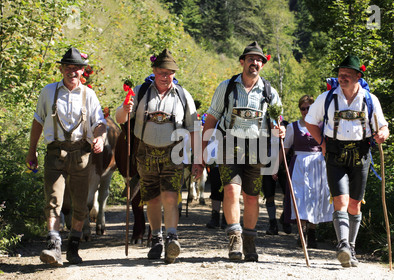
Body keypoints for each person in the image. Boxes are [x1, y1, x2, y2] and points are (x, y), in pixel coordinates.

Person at [193, 41, 285, 262]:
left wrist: (279, 129)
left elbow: (277, 121)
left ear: (263, 64)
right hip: (229, 143)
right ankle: (235, 237)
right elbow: (212, 120)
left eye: (259, 60)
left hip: (256, 146)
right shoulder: (227, 87)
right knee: (232, 191)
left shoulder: (269, 92)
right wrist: (201, 153)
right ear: (242, 62)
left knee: (252, 197)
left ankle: (250, 239)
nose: (255, 63)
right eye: (251, 59)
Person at [305, 55, 389, 267]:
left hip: (361, 156)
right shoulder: (327, 98)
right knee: (340, 200)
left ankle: (350, 247)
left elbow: (383, 126)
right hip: (335, 154)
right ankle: (342, 244)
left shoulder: (370, 99)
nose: (342, 77)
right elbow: (310, 122)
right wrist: (322, 143)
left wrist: (382, 134)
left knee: (354, 204)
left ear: (358, 77)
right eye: (340, 74)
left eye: (347, 75)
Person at [115, 49, 197, 264]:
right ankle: (157, 239)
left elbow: (194, 128)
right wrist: (125, 108)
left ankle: (172, 238)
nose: (165, 76)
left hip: (174, 153)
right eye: (161, 71)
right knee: (151, 198)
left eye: (169, 72)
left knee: (170, 196)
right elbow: (121, 118)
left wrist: (198, 158)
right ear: (154, 71)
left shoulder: (183, 95)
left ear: (174, 74)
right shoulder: (140, 92)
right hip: (145, 153)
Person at [26, 48, 107, 266]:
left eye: (76, 68)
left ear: (83, 71)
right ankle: (54, 246)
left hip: (81, 154)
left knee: (81, 204)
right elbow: (38, 121)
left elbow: (99, 122)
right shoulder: (49, 91)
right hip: (55, 152)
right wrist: (31, 149)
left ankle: (73, 247)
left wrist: (98, 138)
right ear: (61, 69)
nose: (72, 71)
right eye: (68, 67)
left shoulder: (88, 95)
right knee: (53, 200)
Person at [283, 95, 333, 248]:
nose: (305, 111)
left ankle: (312, 232)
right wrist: (274, 168)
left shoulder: (323, 126)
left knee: (316, 198)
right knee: (300, 197)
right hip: (299, 164)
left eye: (308, 108)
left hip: (318, 164)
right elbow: (285, 149)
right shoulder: (293, 127)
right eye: (302, 108)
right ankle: (302, 232)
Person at [263, 119, 288, 235]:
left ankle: (286, 217)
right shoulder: (262, 126)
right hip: (266, 164)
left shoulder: (284, 126)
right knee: (269, 195)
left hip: (283, 165)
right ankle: (273, 223)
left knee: (287, 194)